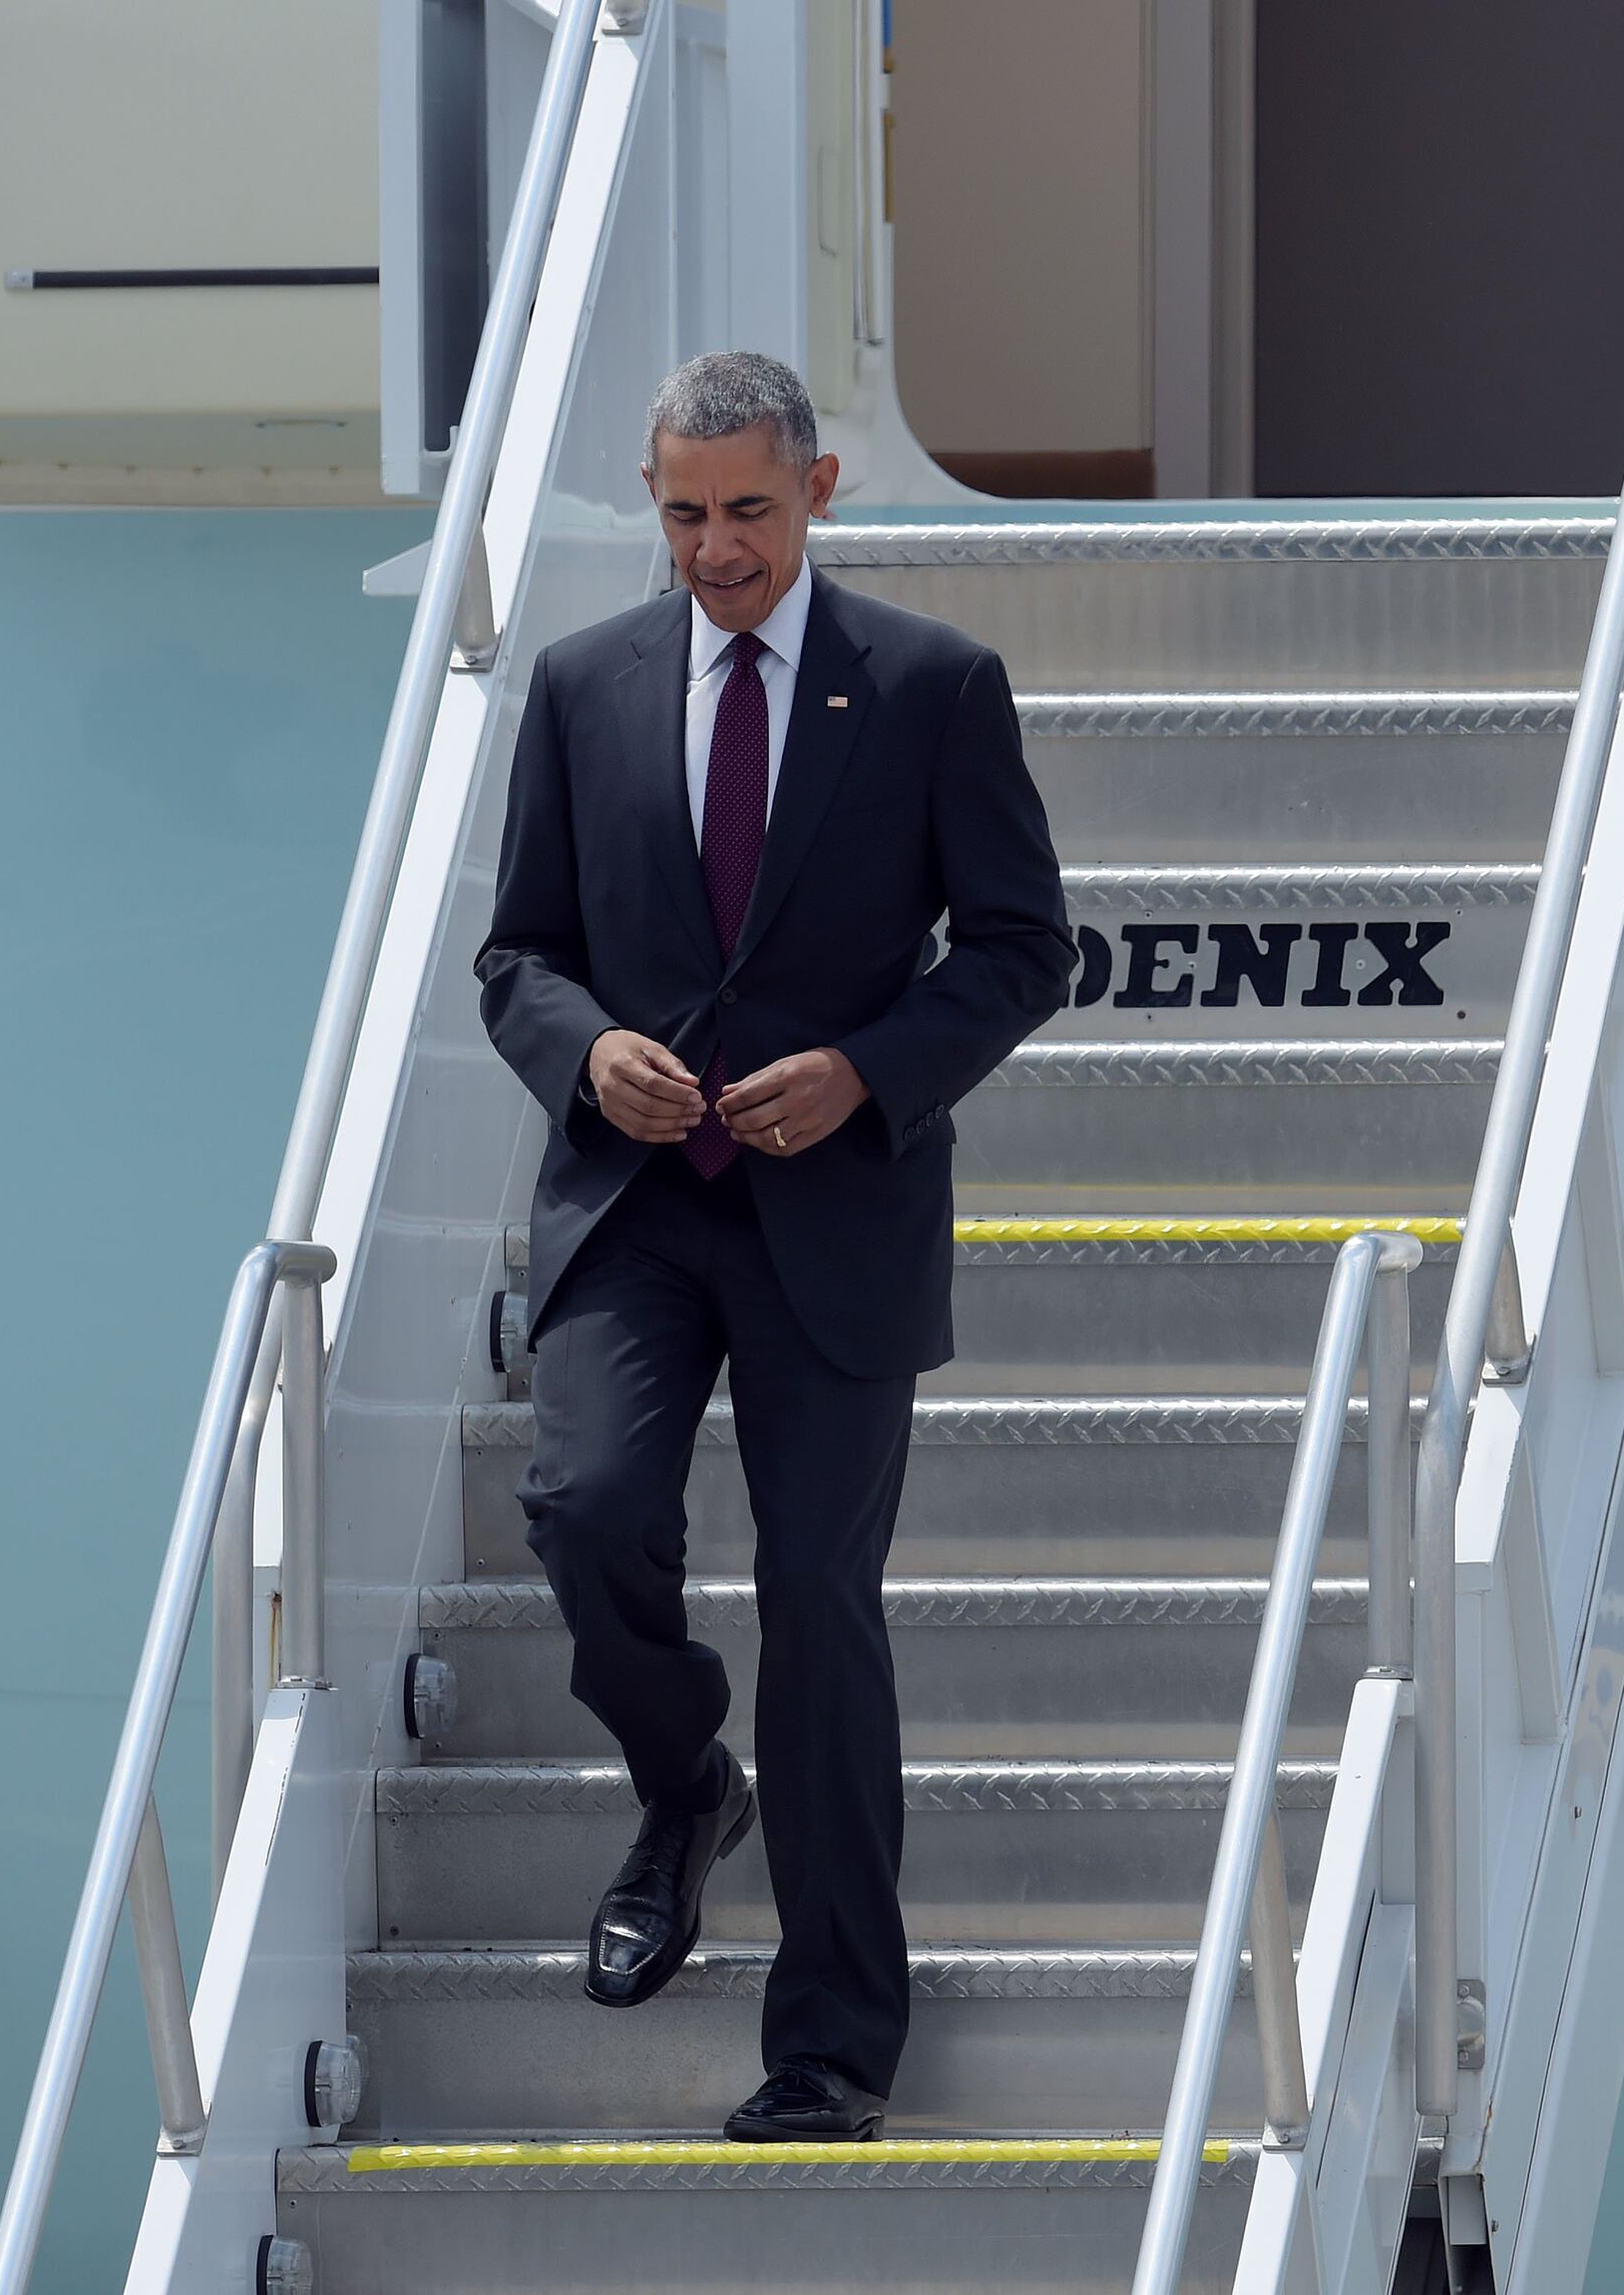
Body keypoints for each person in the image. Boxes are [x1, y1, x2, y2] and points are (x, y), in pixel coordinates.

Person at [474, 349, 1069, 2140]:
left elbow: (1024, 948)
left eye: (745, 510)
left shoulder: (934, 686)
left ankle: (830, 2049)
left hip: (839, 1212)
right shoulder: (581, 685)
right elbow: (518, 955)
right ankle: (683, 1783)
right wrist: (590, 1051)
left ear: (817, 490)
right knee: (588, 1513)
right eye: (681, 515)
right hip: (638, 1207)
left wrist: (869, 1071)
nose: (714, 549)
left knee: (820, 1605)